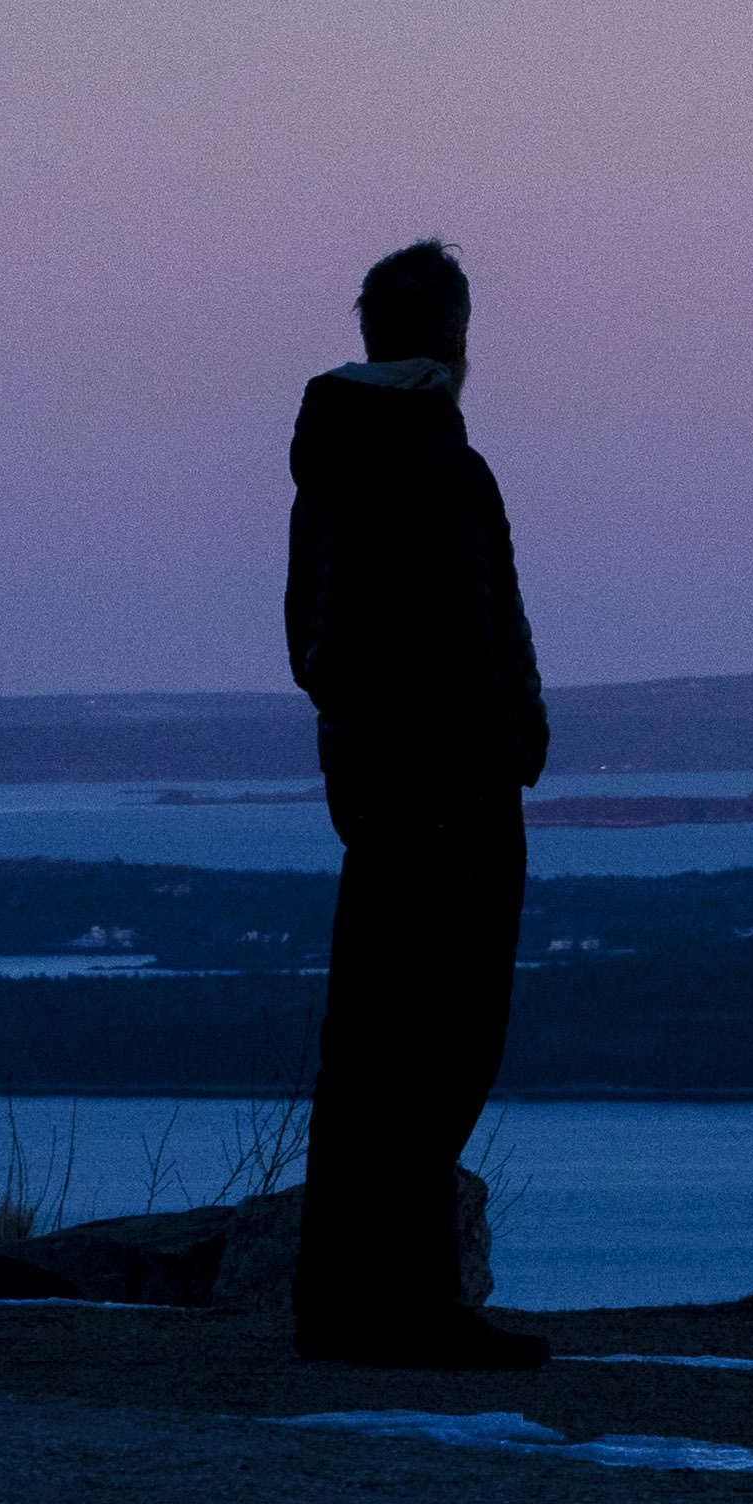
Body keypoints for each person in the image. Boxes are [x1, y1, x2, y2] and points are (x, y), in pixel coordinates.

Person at [283, 238, 551, 1369]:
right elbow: (479, 635)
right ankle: (406, 1307)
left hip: (372, 787)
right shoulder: (443, 468)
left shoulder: (330, 465)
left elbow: (311, 636)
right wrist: (511, 745)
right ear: (455, 340)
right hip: (453, 791)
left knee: (368, 1043)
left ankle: (335, 1300)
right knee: (446, 1045)